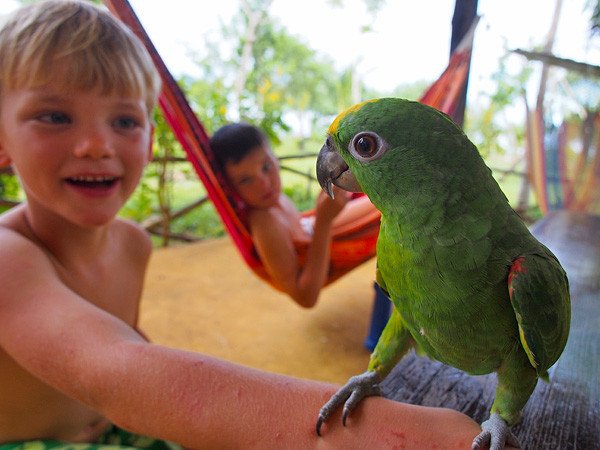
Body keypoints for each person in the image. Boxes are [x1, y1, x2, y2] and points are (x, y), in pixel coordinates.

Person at [0, 1, 488, 448]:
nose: (96, 145)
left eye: (124, 122)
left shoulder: (132, 242)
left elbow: (124, 343)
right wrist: (389, 434)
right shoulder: (7, 257)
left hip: (113, 429)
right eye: (55, 116)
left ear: (150, 141)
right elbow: (117, 371)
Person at [210, 123, 362, 308]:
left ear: (275, 158)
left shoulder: (276, 200)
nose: (264, 184)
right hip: (324, 243)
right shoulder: (265, 225)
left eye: (266, 167)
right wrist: (323, 223)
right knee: (379, 209)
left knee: (368, 198)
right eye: (245, 180)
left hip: (317, 234)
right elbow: (305, 298)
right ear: (231, 188)